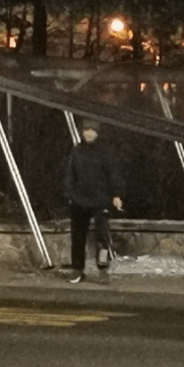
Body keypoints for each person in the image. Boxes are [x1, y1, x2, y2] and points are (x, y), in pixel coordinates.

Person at [64, 118, 124, 284]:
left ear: (97, 133)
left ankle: (103, 270)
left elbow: (114, 174)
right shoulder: (76, 152)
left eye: (92, 130)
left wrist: (116, 195)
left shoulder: (105, 152)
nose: (89, 133)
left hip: (100, 200)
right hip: (79, 200)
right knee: (78, 237)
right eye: (86, 130)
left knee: (102, 238)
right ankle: (77, 270)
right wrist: (69, 195)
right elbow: (70, 175)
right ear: (82, 132)